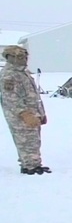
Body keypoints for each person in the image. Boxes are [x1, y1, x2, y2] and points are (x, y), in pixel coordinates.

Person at [1, 45, 49, 174]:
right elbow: (11, 98)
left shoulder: (23, 72)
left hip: (33, 113)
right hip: (20, 116)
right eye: (20, 57)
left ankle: (34, 163)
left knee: (33, 139)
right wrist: (25, 114)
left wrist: (41, 112)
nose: (24, 59)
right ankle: (29, 166)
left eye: (25, 57)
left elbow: (33, 95)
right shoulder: (9, 75)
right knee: (24, 140)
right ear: (10, 58)